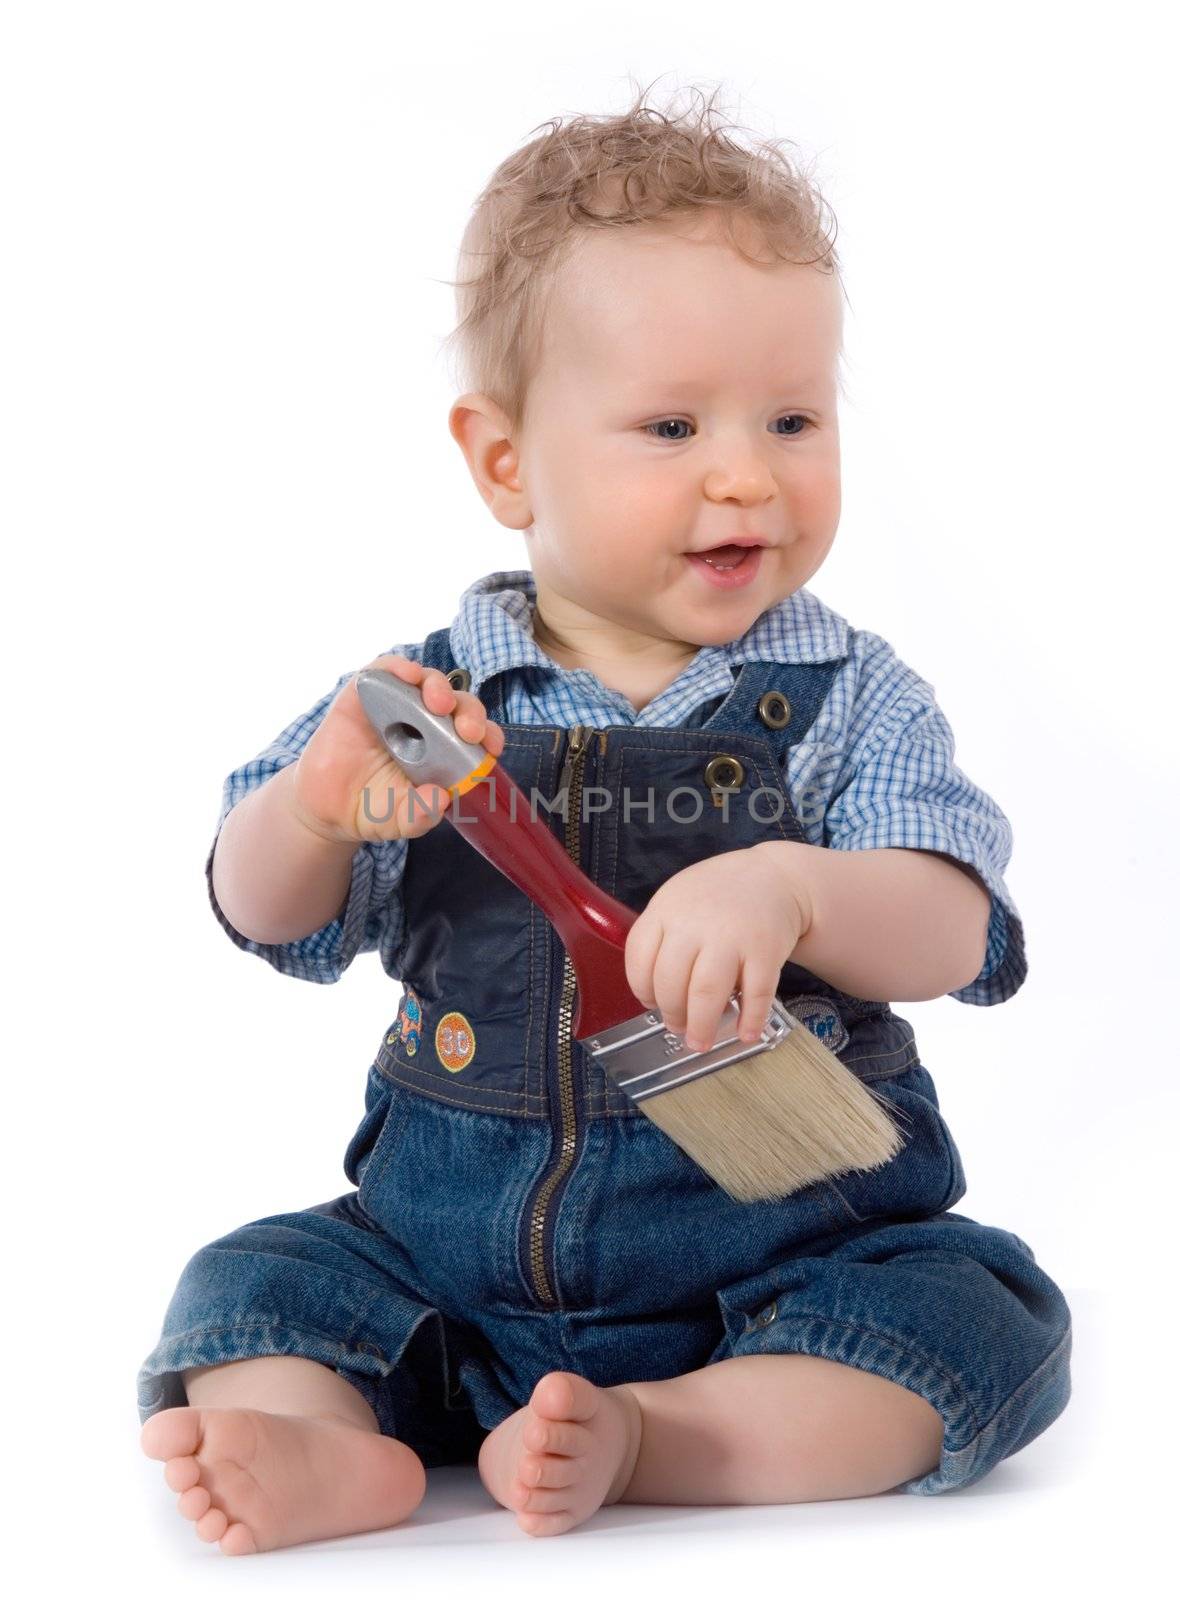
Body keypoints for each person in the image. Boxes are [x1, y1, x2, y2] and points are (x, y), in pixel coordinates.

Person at [138, 83, 1072, 1553]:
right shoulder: (420, 711)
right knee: (252, 1285)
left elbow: (956, 926)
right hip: (445, 1262)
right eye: (671, 423)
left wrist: (799, 890)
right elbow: (265, 909)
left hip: (781, 1265)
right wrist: (316, 814)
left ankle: (672, 1435)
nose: (746, 470)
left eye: (792, 416)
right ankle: (331, 1444)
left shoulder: (847, 697)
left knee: (979, 1313)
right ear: (507, 461)